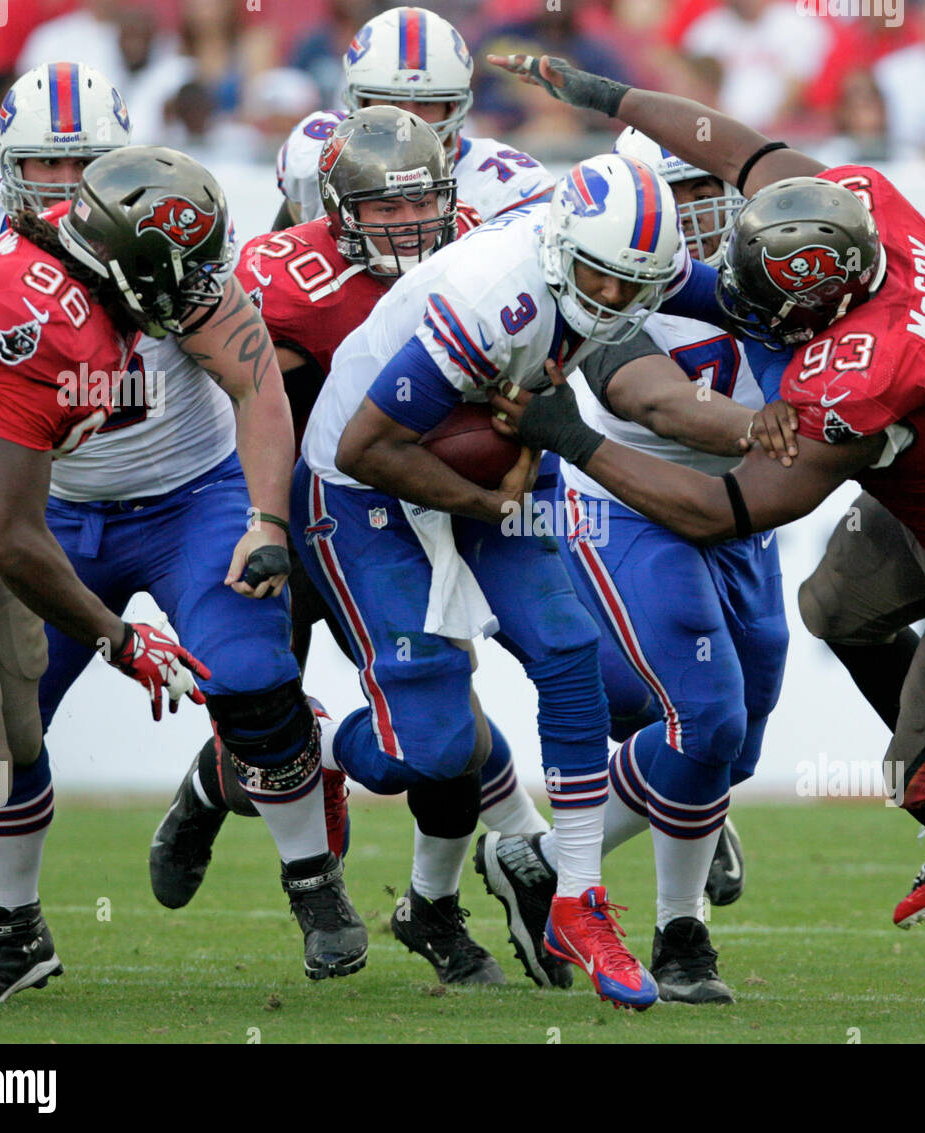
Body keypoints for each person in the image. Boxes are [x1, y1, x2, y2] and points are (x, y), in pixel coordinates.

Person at [488, 53, 925, 1014]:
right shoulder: (862, 205)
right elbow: (736, 145)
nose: (714, 234)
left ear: (815, 304)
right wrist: (603, 92)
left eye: (721, 213)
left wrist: (568, 435)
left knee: (924, 780)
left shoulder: (859, 375)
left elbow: (729, 507)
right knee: (834, 609)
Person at [0, 64, 364, 1004]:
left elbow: (253, 382)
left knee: (249, 671)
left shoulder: (161, 225)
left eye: (84, 165)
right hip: (45, 515)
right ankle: (11, 931)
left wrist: (268, 517)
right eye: (44, 166)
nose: (67, 188)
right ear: (5, 166)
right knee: (8, 731)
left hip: (187, 496)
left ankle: (312, 881)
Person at [294, 152, 715, 1011]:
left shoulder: (621, 264)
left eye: (636, 286)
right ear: (562, 250)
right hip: (365, 485)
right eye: (600, 277)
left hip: (488, 448)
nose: (616, 300)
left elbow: (720, 292)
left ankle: (577, 897)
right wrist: (494, 494)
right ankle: (307, 743)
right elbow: (365, 447)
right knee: (433, 753)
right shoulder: (496, 298)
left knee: (569, 649)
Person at [149, 108, 521, 990]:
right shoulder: (277, 273)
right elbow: (226, 391)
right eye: (375, 207)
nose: (401, 225)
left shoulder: (478, 247)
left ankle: (434, 903)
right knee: (264, 736)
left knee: (442, 718)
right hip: (286, 511)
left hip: (392, 518)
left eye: (417, 203)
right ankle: (213, 787)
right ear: (319, 204)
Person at [477, 126, 787, 1005]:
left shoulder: (766, 269)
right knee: (708, 717)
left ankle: (536, 857)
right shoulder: (605, 288)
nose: (709, 211)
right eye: (685, 194)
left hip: (744, 520)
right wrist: (796, 434)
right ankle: (684, 933)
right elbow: (656, 401)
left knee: (733, 744)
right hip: (636, 511)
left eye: (711, 190)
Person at [0, 147, 214, 1004]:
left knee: (16, 737)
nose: (197, 286)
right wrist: (117, 637)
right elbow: (6, 531)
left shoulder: (57, 269)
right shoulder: (57, 327)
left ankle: (15, 938)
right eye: (185, 268)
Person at [272, 7, 556, 231]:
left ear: (454, 106)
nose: (406, 121)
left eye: (425, 103)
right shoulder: (316, 153)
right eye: (391, 102)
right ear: (359, 102)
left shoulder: (505, 186)